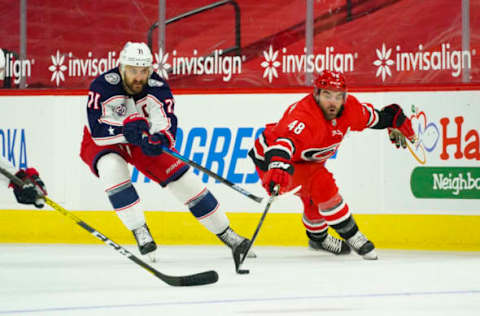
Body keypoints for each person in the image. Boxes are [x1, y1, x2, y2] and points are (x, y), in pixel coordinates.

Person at [79, 41, 253, 262]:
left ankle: (229, 235)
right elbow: (98, 130)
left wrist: (160, 138)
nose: (138, 77)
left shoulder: (157, 87)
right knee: (111, 168)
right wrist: (126, 130)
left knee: (185, 180)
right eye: (133, 70)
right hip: (106, 140)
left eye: (143, 71)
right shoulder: (102, 86)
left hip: (141, 139)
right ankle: (139, 230)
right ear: (121, 67)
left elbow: (167, 122)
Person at [248, 70, 416, 260]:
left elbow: (373, 118)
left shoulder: (350, 109)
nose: (333, 102)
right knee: (322, 184)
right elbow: (284, 143)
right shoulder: (305, 116)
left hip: (307, 162)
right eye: (327, 95)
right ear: (316, 94)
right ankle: (353, 235)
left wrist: (393, 118)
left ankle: (318, 238)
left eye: (338, 96)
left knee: (313, 200)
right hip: (274, 161)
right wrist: (278, 167)